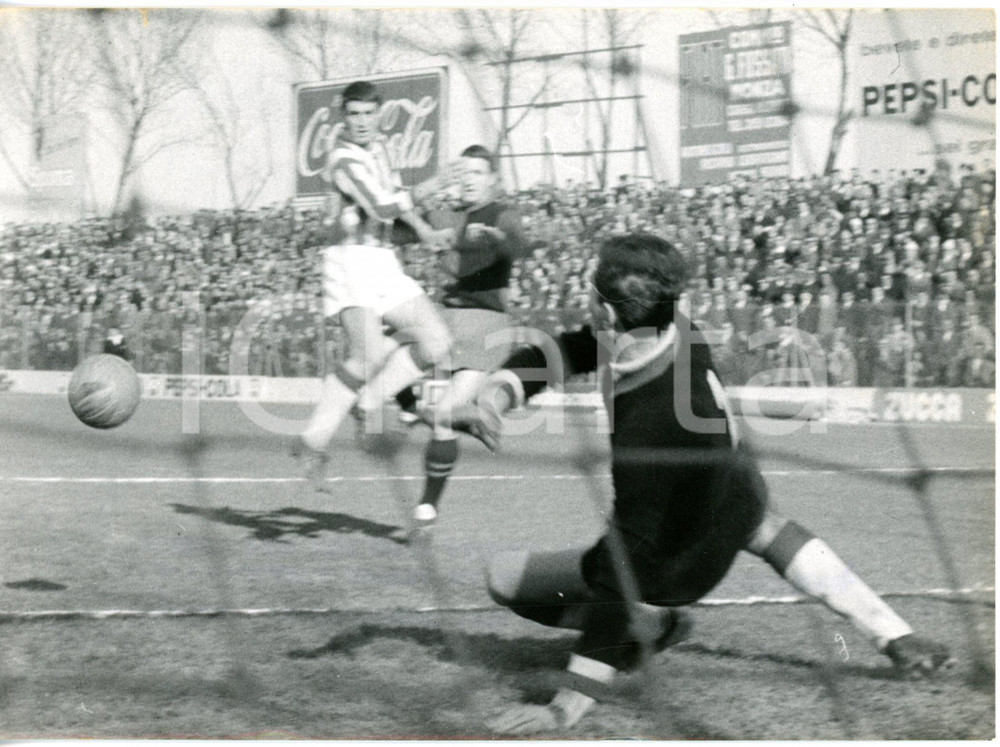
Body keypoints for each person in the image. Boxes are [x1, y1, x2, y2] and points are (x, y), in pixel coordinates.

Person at [459, 234, 951, 734]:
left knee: (505, 579)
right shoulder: (671, 328)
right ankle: (894, 634)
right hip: (738, 498)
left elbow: (625, 565)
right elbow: (575, 348)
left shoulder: (650, 426)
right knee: (765, 527)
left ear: (609, 311)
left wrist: (569, 701)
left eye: (590, 291)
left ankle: (653, 624)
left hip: (681, 561)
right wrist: (501, 390)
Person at [293, 80, 455, 490]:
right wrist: (430, 187)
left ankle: (369, 402)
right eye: (354, 114)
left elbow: (396, 198)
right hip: (349, 259)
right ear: (342, 117)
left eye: (369, 114)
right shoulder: (341, 160)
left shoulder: (381, 150)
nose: (362, 122)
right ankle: (312, 443)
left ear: (379, 115)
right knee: (365, 356)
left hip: (383, 260)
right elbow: (382, 207)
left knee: (437, 342)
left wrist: (426, 232)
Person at [362, 144, 529, 528]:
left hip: (486, 328)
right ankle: (430, 411)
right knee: (383, 338)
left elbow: (520, 244)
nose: (468, 181)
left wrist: (496, 238)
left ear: (492, 180)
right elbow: (393, 230)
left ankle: (427, 507)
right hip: (444, 319)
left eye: (476, 174)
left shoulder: (502, 214)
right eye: (463, 172)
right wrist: (410, 203)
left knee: (439, 418)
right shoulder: (446, 214)